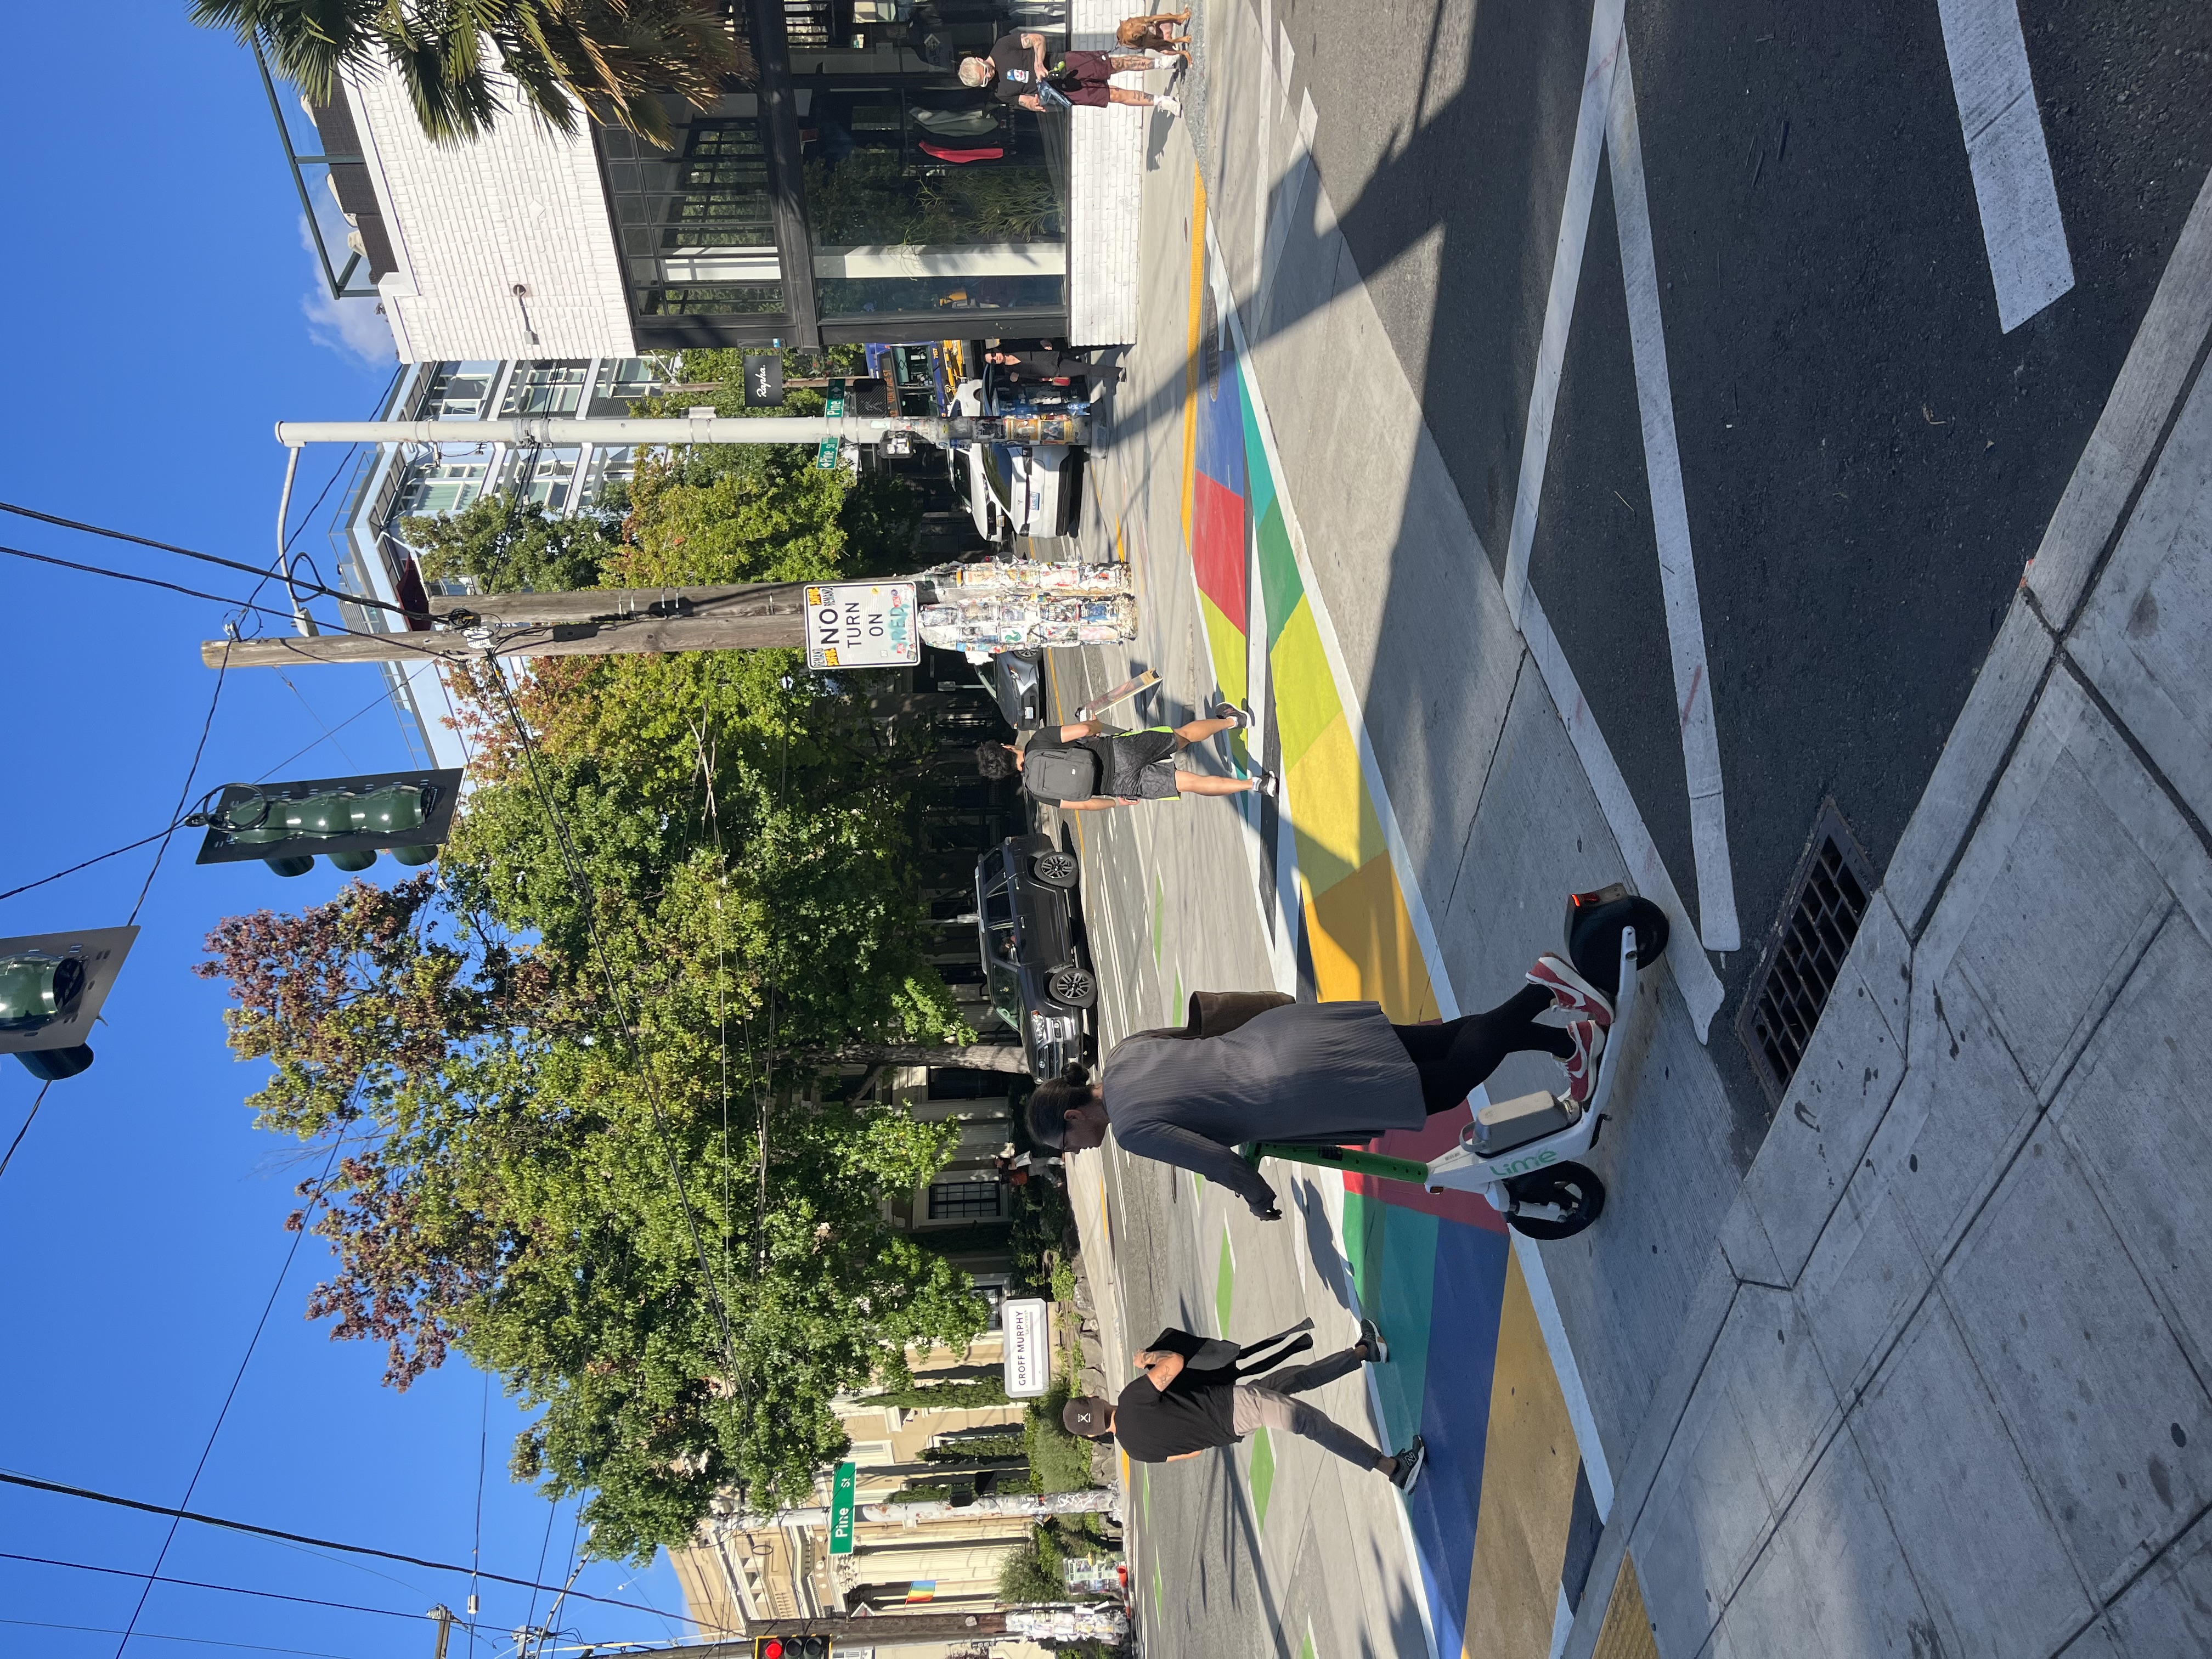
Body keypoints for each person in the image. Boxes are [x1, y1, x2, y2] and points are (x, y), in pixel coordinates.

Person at [1023, 959, 1616, 1215]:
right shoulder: (1125, 1053)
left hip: (1302, 1086)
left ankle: (1543, 988)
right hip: (1289, 1036)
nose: (1074, 1156)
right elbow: (1197, 1039)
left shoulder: (1131, 1131)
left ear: (1072, 1118)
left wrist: (1259, 1200)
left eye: (1066, 1147)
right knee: (1439, 1044)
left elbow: (1218, 1163)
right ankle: (1569, 1044)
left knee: (1446, 1086)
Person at [1060, 1318, 1426, 1491]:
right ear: (1094, 1399)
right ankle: (1392, 1468)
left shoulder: (1135, 1450)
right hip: (1233, 1406)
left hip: (1229, 1427)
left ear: (1095, 1435)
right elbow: (1175, 1364)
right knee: (1311, 1423)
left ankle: (1365, 1351)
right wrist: (1151, 1359)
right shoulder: (1130, 1400)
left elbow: (1190, 1454)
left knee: (1289, 1381)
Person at [977, 707, 1275, 808]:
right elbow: (1082, 729)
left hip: (1120, 785)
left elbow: (1084, 804)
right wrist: (1093, 725)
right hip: (1119, 751)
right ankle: (1234, 721)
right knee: (1181, 736)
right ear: (1005, 747)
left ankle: (1255, 785)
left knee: (1189, 783)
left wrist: (1117, 801)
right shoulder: (1039, 742)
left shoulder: (1038, 793)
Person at [958, 32, 1181, 117]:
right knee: (1114, 95)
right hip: (1060, 91)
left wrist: (1038, 63)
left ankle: (1163, 62)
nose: (989, 77)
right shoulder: (999, 93)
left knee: (1116, 64)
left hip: (1063, 63)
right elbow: (1024, 100)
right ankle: (1162, 101)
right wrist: (1034, 105)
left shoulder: (1002, 46)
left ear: (980, 60)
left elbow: (1038, 39)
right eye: (984, 81)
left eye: (986, 72)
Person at [1116, 8, 1192, 57]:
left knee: (1168, 16)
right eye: (1134, 36)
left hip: (1157, 28)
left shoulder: (1135, 21)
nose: (1140, 29)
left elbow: (1153, 18)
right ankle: (1182, 53)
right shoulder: (1136, 44)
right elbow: (1156, 44)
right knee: (1165, 50)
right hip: (1156, 41)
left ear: (1125, 21)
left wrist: (1179, 16)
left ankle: (1179, 20)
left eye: (1132, 25)